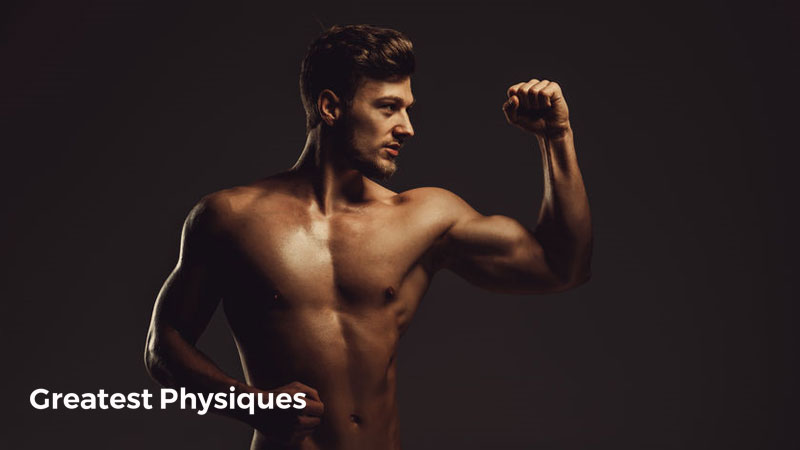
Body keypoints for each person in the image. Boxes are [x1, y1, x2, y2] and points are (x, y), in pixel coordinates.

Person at [144, 24, 592, 450]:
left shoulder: (424, 218)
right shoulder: (231, 218)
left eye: (407, 109)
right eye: (387, 107)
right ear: (331, 108)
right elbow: (164, 346)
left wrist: (557, 138)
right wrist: (250, 403)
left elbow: (561, 267)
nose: (407, 127)